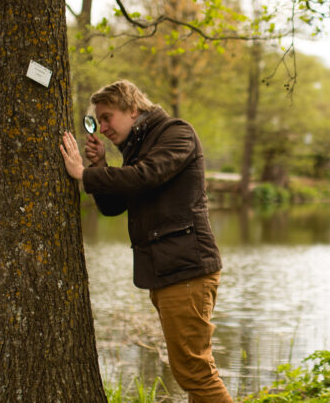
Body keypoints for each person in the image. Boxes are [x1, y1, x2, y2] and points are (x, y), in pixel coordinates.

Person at [59, 80, 232, 403]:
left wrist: (84, 174)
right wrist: (99, 166)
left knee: (193, 372)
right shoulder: (138, 148)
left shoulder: (175, 133)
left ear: (133, 108)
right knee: (195, 370)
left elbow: (146, 176)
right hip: (168, 271)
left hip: (187, 270)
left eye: (108, 117)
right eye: (98, 120)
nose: (104, 127)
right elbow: (113, 206)